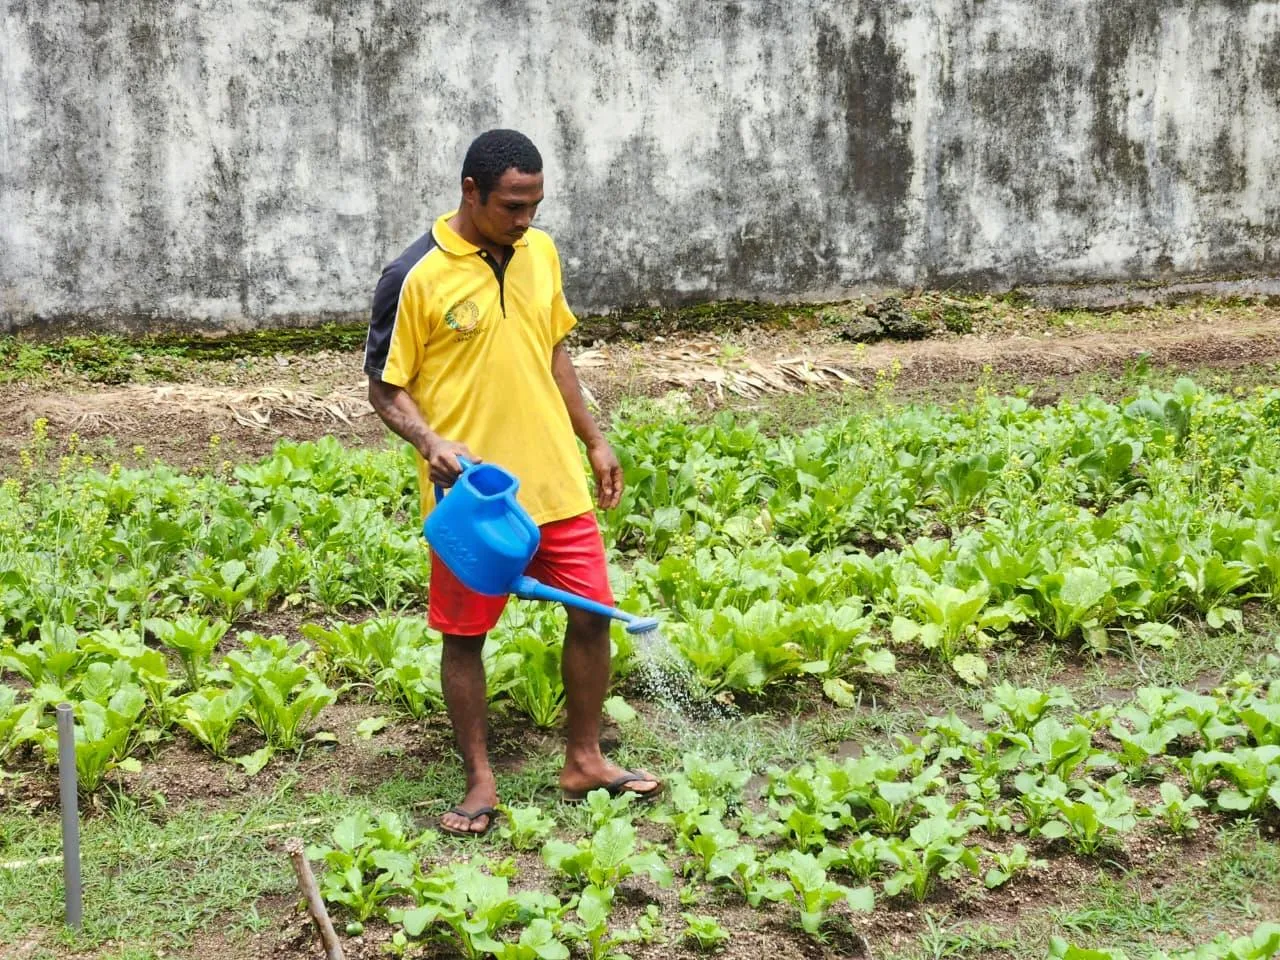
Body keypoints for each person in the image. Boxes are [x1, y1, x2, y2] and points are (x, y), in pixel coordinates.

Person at [363, 129, 662, 837]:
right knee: (465, 636)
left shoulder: (541, 253)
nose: (524, 220)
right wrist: (430, 439)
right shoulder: (415, 275)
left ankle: (585, 759)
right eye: (511, 206)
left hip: (556, 483)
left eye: (534, 205)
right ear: (471, 191)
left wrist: (593, 438)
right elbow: (385, 390)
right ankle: (478, 779)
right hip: (474, 502)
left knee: (592, 614)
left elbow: (553, 352)